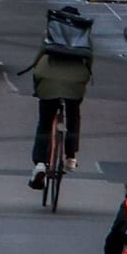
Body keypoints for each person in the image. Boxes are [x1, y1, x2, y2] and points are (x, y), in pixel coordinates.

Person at [26, 12, 93, 188]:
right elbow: (89, 63)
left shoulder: (49, 32)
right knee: (73, 117)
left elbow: (39, 59)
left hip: (48, 79)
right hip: (75, 82)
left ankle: (40, 164)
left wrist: (37, 89)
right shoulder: (85, 37)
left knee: (45, 123)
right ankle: (70, 156)